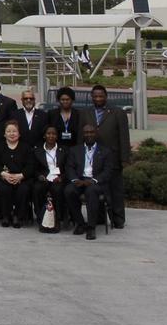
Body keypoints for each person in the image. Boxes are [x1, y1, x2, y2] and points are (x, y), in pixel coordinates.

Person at [85, 84, 131, 229]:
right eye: (95, 96)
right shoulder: (86, 113)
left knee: (115, 190)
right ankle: (99, 218)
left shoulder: (117, 113)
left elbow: (124, 137)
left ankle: (118, 219)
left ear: (106, 97)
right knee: (97, 188)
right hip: (94, 158)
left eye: (101, 96)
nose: (98, 99)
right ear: (92, 98)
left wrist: (124, 158)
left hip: (113, 158)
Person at [64, 124, 113, 240]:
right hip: (79, 180)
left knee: (91, 191)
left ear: (96, 134)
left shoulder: (105, 151)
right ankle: (80, 223)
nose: (89, 135)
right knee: (69, 191)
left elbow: (107, 171)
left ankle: (91, 227)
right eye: (86, 132)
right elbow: (69, 167)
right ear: (83, 135)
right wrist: (75, 180)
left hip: (96, 182)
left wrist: (93, 181)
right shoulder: (75, 150)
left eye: (91, 132)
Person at [0, 120, 33, 228]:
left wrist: (21, 175)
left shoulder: (26, 147)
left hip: (22, 178)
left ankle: (18, 217)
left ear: (19, 133)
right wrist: (4, 174)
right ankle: (6, 216)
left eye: (14, 131)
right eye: (8, 131)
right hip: (4, 178)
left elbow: (31, 165)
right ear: (4, 134)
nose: (11, 134)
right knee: (5, 189)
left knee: (23, 190)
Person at [33, 125, 65, 231]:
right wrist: (39, 176)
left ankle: (57, 220)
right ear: (44, 135)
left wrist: (61, 178)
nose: (51, 136)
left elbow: (68, 167)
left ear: (57, 136)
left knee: (58, 190)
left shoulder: (64, 150)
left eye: (54, 134)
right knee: (37, 189)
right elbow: (34, 167)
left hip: (58, 179)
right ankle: (41, 218)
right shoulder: (37, 149)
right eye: (48, 133)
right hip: (44, 179)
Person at [48, 87, 81, 151]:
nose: (65, 102)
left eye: (67, 99)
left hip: (74, 148)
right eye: (62, 99)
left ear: (72, 100)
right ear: (59, 100)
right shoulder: (52, 114)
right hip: (56, 148)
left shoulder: (78, 114)